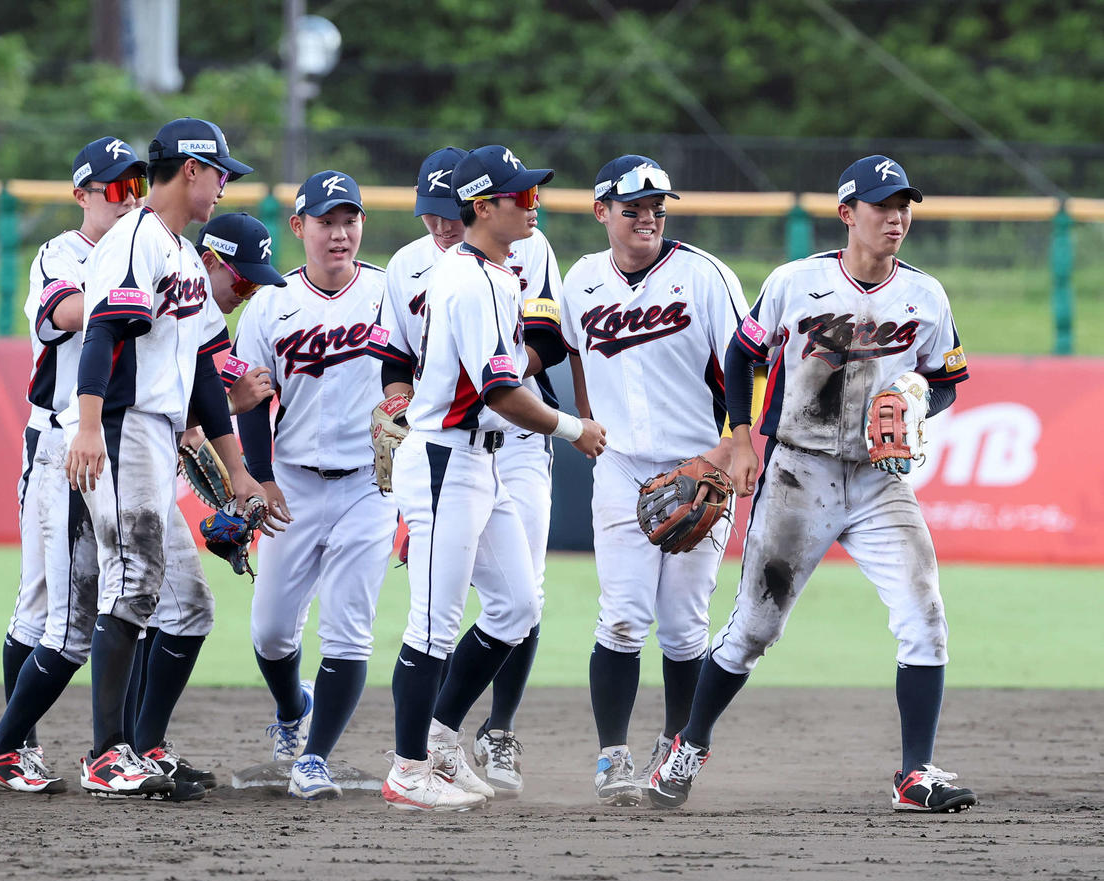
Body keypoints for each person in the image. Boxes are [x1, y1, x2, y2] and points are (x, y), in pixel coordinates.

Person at [649, 155, 976, 814]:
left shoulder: (926, 296)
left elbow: (945, 381)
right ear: (847, 213)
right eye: (882, 205)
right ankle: (689, 744)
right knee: (753, 630)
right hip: (800, 471)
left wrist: (918, 400)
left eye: (904, 206)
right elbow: (743, 354)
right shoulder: (796, 282)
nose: (896, 218)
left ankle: (915, 774)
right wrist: (742, 438)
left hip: (880, 479)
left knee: (926, 618)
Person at [381, 145, 606, 812]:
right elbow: (502, 391)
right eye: (522, 196)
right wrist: (573, 427)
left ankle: (439, 739)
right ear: (483, 207)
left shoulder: (497, 273)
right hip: (446, 458)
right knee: (433, 624)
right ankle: (407, 769)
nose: (534, 205)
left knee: (516, 606)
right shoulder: (471, 281)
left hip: (482, 459)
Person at [60, 117, 266, 799]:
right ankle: (105, 755)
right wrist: (90, 426)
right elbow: (103, 332)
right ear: (190, 169)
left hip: (159, 430)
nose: (224, 187)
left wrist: (239, 471)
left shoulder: (181, 253)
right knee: (133, 583)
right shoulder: (136, 239)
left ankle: (142, 747)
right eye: (220, 173)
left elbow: (206, 369)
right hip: (123, 427)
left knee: (189, 604)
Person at [559, 155, 750, 806]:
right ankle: (613, 754)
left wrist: (731, 448)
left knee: (685, 624)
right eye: (633, 208)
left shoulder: (704, 276)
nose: (648, 218)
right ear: (601, 212)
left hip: (698, 467)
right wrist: (585, 419)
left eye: (657, 208)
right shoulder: (581, 279)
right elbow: (576, 354)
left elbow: (749, 366)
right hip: (619, 465)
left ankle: (674, 747)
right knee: (621, 617)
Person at [0, 136, 147, 794]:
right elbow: (64, 314)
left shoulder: (143, 250)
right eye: (116, 187)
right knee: (44, 602)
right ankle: (14, 746)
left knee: (107, 595)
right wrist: (130, 293)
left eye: (137, 186)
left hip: (114, 440)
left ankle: (83, 743)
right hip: (55, 445)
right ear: (82, 195)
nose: (129, 198)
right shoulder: (61, 253)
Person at [228, 171, 398, 801]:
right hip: (293, 484)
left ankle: (315, 759)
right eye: (327, 221)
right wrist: (260, 477)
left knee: (349, 630)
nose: (340, 233)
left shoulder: (389, 294)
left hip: (370, 485)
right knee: (271, 632)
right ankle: (291, 710)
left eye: (350, 220)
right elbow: (251, 398)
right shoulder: (270, 304)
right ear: (299, 227)